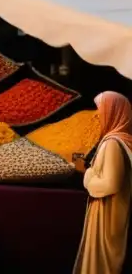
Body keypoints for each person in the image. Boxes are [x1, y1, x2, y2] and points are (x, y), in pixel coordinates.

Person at [73, 91, 132, 274]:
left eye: (101, 112)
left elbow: (110, 184)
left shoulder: (113, 143)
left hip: (108, 216)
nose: (97, 117)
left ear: (113, 113)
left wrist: (88, 174)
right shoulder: (120, 140)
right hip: (111, 213)